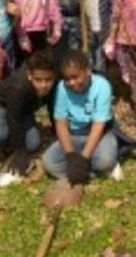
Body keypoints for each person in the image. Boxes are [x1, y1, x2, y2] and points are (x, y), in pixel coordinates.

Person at [42, 49, 130, 186]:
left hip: (99, 133)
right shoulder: (61, 88)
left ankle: (100, 166)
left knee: (104, 161)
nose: (71, 82)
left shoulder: (102, 86)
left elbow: (98, 126)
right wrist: (70, 156)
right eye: (67, 79)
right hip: (74, 134)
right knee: (49, 163)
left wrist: (83, 159)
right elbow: (61, 124)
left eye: (75, 77)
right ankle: (88, 173)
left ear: (88, 71)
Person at [0, 49, 58, 187]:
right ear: (29, 75)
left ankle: (12, 145)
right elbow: (13, 118)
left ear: (54, 76)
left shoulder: (54, 84)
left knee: (33, 145)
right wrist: (18, 151)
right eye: (38, 80)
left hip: (25, 110)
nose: (43, 85)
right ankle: (6, 147)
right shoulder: (18, 87)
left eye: (48, 80)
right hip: (1, 105)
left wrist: (56, 133)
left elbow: (52, 107)